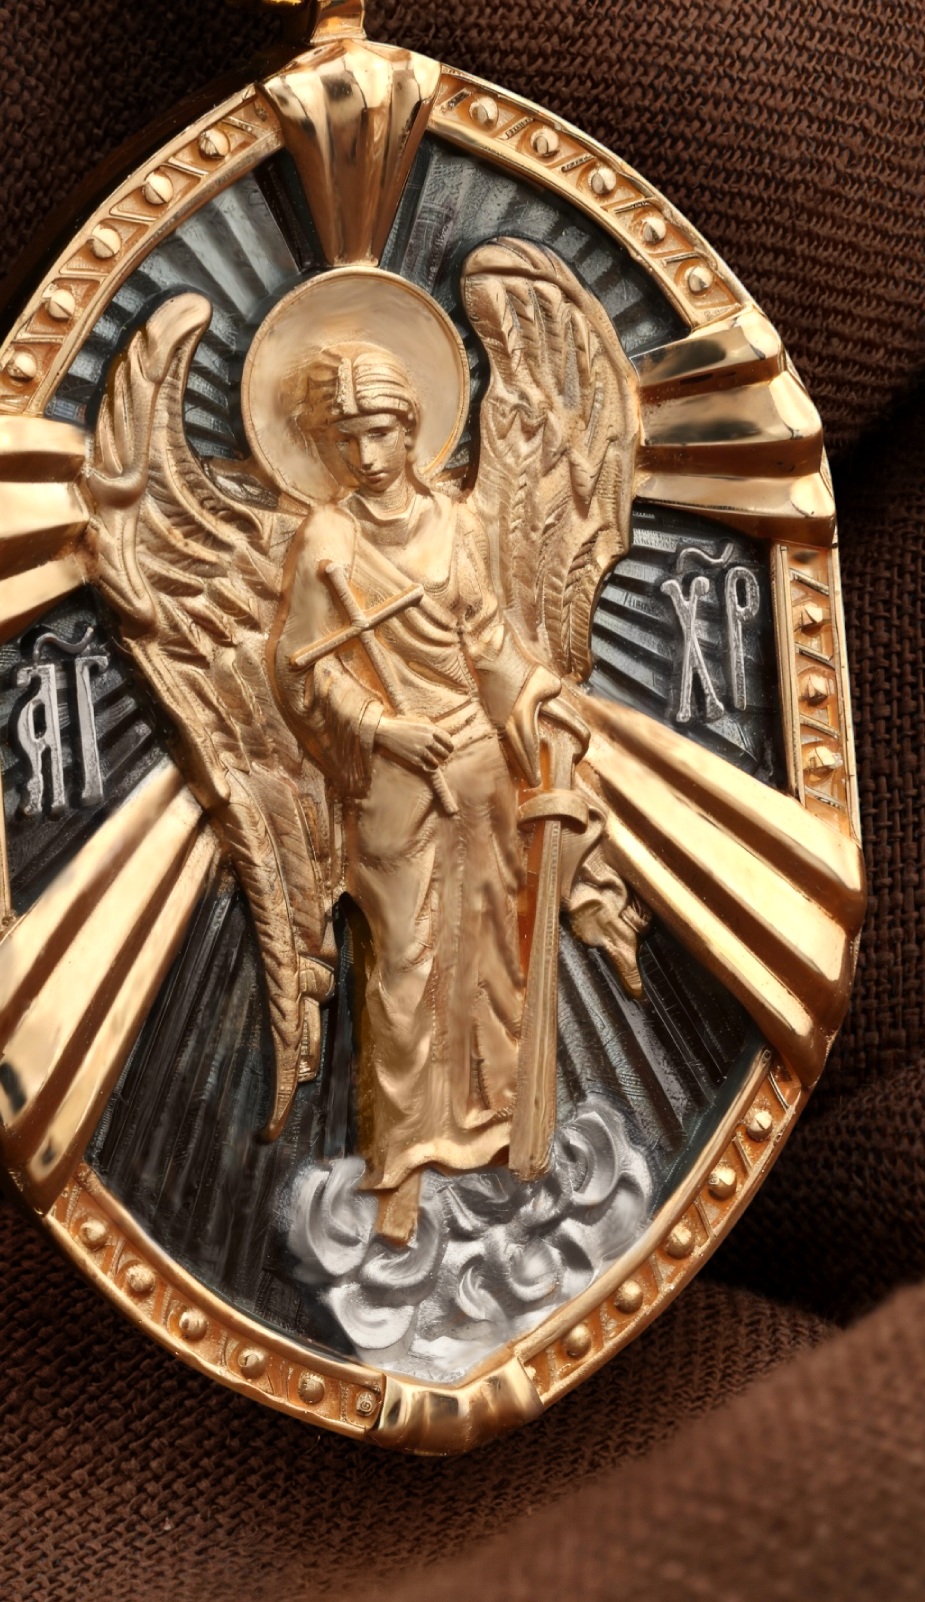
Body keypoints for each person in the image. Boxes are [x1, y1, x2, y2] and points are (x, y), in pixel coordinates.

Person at [269, 340, 595, 1245]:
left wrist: (539, 702)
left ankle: (497, 1132)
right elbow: (301, 669)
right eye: (345, 439)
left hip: (477, 764)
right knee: (407, 963)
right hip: (393, 778)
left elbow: (486, 643)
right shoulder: (327, 541)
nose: (365, 455)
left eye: (379, 433)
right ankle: (405, 1160)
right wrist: (383, 729)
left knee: (490, 947)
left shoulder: (455, 526)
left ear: (412, 430)